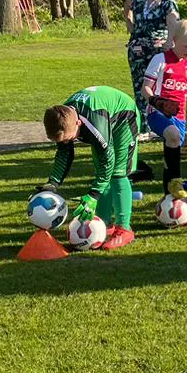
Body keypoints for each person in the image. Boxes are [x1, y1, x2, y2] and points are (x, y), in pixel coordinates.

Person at [42, 86, 140, 251]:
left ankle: (124, 229)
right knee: (101, 172)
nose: (66, 143)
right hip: (102, 116)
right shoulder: (62, 118)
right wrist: (53, 183)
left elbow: (108, 160)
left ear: (78, 123)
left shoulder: (95, 125)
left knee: (117, 173)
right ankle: (104, 222)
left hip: (125, 117)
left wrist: (93, 196)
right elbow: (64, 154)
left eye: (69, 139)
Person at [142, 19, 187, 197]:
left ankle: (169, 191)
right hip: (158, 112)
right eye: (186, 46)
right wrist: (156, 101)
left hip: (179, 117)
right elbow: (145, 88)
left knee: (173, 147)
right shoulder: (161, 60)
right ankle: (176, 182)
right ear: (174, 40)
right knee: (172, 135)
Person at [124, 0, 180, 120]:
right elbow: (126, 7)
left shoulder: (167, 3)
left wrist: (169, 41)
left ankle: (160, 121)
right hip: (136, 52)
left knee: (156, 86)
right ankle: (142, 123)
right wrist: (129, 24)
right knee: (139, 87)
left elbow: (173, 22)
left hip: (156, 51)